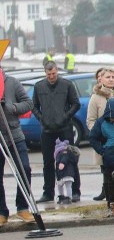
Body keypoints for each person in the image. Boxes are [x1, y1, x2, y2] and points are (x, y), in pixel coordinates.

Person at [32, 62, 81, 204]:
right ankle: (48, 192)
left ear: (57, 71)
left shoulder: (67, 84)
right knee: (47, 162)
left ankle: (75, 191)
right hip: (47, 129)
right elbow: (34, 106)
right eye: (48, 74)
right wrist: (41, 118)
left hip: (65, 128)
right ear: (45, 73)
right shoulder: (39, 86)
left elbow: (76, 103)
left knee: (70, 159)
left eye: (53, 74)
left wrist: (65, 116)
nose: (51, 77)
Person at [0, 69, 34, 225]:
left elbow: (28, 103)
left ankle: (22, 207)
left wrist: (12, 107)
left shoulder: (12, 82)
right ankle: (2, 212)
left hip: (14, 135)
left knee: (24, 168)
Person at [87, 68, 114, 202]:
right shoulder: (96, 97)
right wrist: (99, 133)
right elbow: (90, 120)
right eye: (108, 77)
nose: (111, 79)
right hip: (105, 141)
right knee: (108, 172)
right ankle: (110, 199)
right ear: (101, 79)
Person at [88, 97, 114, 216]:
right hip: (109, 157)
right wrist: (102, 150)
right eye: (112, 117)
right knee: (110, 183)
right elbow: (93, 138)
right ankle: (112, 204)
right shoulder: (101, 122)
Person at [53, 138, 78, 206]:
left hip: (66, 173)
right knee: (61, 185)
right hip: (63, 174)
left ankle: (68, 197)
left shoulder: (63, 153)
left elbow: (65, 158)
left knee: (67, 186)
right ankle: (62, 196)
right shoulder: (64, 153)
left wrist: (62, 163)